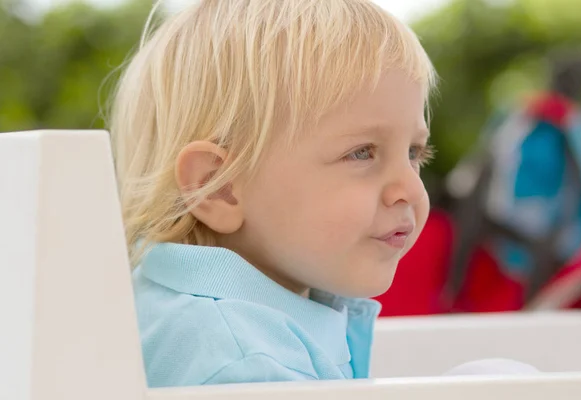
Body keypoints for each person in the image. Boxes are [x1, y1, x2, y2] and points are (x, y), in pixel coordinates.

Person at [110, 0, 436, 388]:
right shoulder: (245, 366)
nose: (412, 189)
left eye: (414, 153)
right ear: (220, 187)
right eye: (361, 153)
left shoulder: (169, 305)